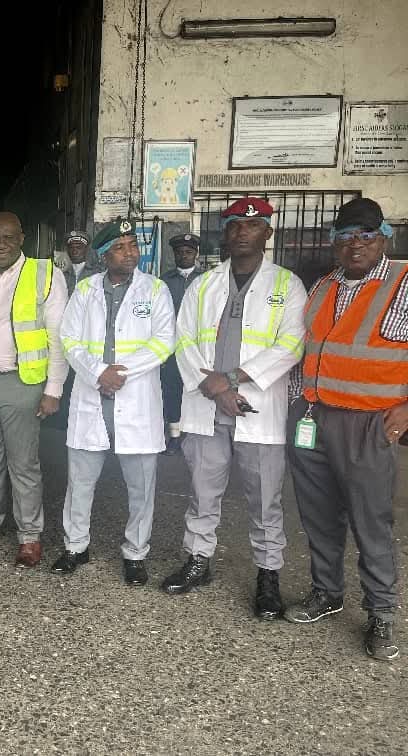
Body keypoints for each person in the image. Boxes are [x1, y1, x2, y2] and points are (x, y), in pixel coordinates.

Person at [163, 197, 307, 620]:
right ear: (225, 234)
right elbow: (182, 339)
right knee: (201, 492)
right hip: (206, 408)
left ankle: (268, 574)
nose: (243, 232)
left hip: (256, 409)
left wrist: (231, 380)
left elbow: (292, 345)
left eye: (253, 225)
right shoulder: (203, 284)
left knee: (265, 500)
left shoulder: (287, 285)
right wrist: (213, 387)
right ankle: (198, 559)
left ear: (268, 233)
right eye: (234, 226)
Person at [285, 197, 405, 661]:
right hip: (313, 417)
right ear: (334, 243)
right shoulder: (324, 285)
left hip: (368, 423)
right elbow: (309, 348)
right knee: (319, 515)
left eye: (366, 236)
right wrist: (297, 402)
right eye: (345, 236)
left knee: (370, 520)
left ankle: (382, 612)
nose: (355, 245)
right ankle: (327, 593)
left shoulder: (403, 282)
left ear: (384, 238)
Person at [56, 219, 175, 585]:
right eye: (120, 247)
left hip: (134, 398)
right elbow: (69, 339)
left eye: (133, 245)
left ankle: (136, 553)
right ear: (104, 255)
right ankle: (76, 546)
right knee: (80, 483)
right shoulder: (85, 290)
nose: (130, 253)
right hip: (93, 398)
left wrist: (119, 373)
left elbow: (164, 341)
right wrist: (98, 373)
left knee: (141, 487)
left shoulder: (155, 289)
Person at [0, 211, 69, 568]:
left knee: (23, 465)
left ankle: (29, 536)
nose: (1, 244)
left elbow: (58, 338)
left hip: (22, 383)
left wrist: (53, 389)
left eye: (8, 237)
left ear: (22, 238)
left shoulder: (45, 274)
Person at [160, 233, 204, 454]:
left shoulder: (207, 279)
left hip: (199, 346)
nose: (184, 256)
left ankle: (198, 434)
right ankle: (175, 436)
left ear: (196, 254)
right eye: (179, 252)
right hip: (173, 347)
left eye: (188, 252)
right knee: (173, 390)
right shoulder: (163, 281)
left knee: (199, 389)